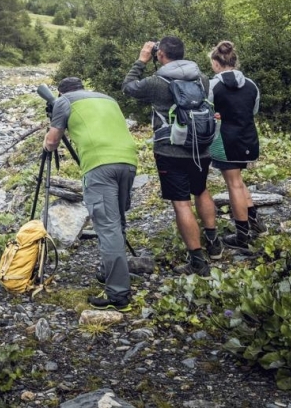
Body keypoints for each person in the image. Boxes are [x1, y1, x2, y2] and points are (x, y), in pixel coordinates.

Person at [122, 36, 222, 276]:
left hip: (170, 149)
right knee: (201, 190)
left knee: (181, 202)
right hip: (201, 146)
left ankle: (197, 261)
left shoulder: (156, 82)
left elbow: (128, 87)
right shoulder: (202, 78)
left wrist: (141, 60)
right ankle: (214, 243)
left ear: (160, 54)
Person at [44, 76, 138, 309]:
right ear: (82, 88)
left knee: (107, 227)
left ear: (61, 93)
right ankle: (110, 271)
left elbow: (53, 140)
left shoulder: (63, 102)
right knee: (116, 219)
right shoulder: (107, 99)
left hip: (99, 165)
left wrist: (46, 144)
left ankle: (118, 294)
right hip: (128, 161)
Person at [208, 40, 263, 247]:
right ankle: (255, 221)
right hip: (248, 137)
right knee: (238, 181)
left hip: (225, 140)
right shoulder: (251, 84)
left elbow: (207, 111)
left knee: (233, 185)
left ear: (216, 63)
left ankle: (242, 235)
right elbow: (254, 110)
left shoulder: (213, 85)